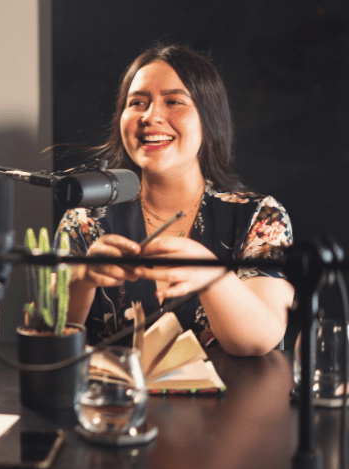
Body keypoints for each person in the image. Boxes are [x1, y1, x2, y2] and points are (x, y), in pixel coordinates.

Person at [57, 44, 294, 356]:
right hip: (116, 402)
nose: (150, 116)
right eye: (137, 103)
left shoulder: (260, 217)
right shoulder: (87, 220)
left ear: (209, 121)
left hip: (232, 404)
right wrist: (81, 280)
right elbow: (44, 340)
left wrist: (212, 275)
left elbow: (257, 341)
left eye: (173, 102)